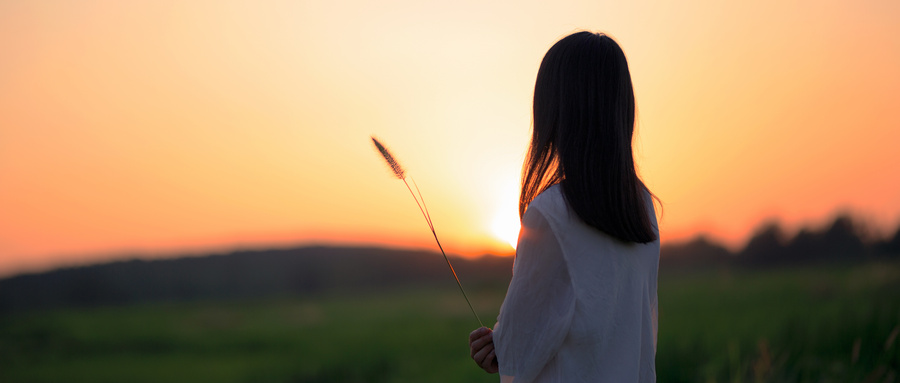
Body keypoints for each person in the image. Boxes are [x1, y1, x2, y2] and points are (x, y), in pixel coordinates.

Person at [468, 31, 661, 383]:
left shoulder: (552, 214)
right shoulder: (642, 205)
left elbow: (516, 353)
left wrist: (498, 345)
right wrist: (504, 342)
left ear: (556, 109)